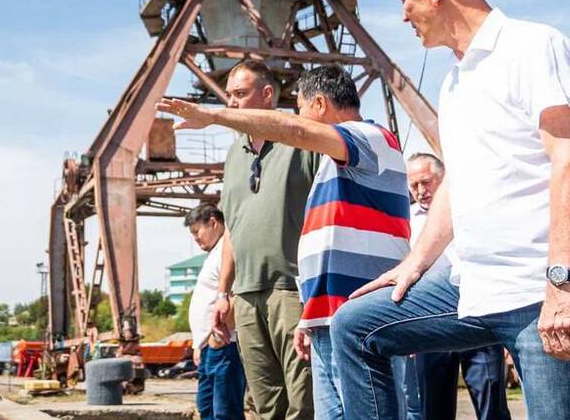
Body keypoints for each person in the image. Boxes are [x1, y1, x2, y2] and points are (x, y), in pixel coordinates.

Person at [327, 0, 570, 420]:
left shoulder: (533, 46)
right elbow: (459, 180)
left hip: (537, 292)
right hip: (469, 286)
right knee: (353, 327)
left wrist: (563, 287)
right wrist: (415, 264)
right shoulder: (454, 80)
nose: (402, 14)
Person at [158, 64, 411, 420]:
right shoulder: (329, 165)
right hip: (325, 311)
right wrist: (310, 314)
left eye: (304, 111)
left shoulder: (367, 138)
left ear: (319, 105)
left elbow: (293, 129)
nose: (301, 121)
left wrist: (213, 116)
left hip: (356, 309)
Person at [200, 60, 317, 420]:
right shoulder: (235, 155)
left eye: (240, 94)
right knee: (266, 405)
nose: (231, 104)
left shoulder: (302, 139)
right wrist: (223, 294)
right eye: (228, 96)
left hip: (292, 291)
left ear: (267, 95)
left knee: (303, 401)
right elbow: (233, 228)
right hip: (246, 297)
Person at [405, 153, 511, 420]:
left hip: (478, 316)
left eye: (426, 182)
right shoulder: (406, 219)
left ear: (444, 179)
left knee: (492, 406)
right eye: (413, 185)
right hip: (429, 325)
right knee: (433, 408)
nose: (420, 191)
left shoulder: (473, 208)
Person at [184, 203, 247, 420]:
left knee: (225, 412)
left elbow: (235, 294)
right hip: (209, 347)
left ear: (213, 222)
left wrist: (217, 338)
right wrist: (198, 344)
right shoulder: (214, 253)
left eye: (196, 231)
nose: (195, 238)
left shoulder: (225, 251)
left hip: (224, 345)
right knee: (207, 409)